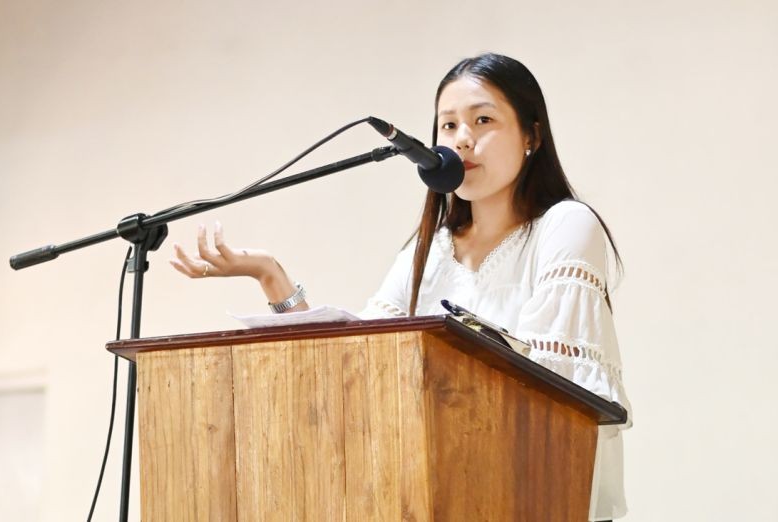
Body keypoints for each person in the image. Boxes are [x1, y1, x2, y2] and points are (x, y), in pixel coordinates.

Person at [170, 53, 631, 521]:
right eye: (447, 126)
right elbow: (357, 362)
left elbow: (551, 382)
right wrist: (271, 275)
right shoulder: (430, 251)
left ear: (531, 136)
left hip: (532, 491)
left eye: (483, 120)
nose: (462, 140)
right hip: (442, 495)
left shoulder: (566, 226)